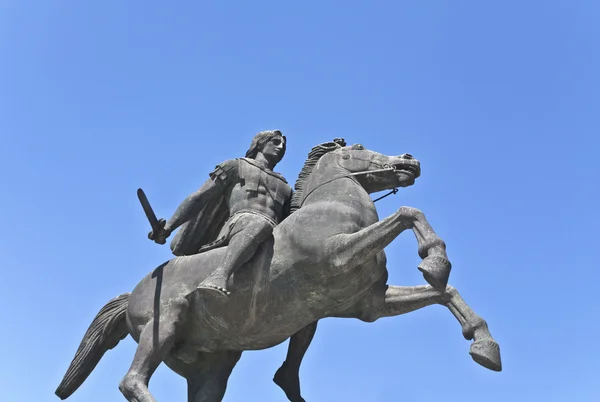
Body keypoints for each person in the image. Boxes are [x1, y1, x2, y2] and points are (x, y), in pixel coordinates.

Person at [149, 130, 293, 300]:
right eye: (276, 142)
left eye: (284, 145)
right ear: (260, 143)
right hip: (240, 221)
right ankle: (219, 275)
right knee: (261, 223)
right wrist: (168, 228)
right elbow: (199, 197)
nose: (281, 147)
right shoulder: (236, 166)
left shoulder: (286, 187)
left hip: (271, 232)